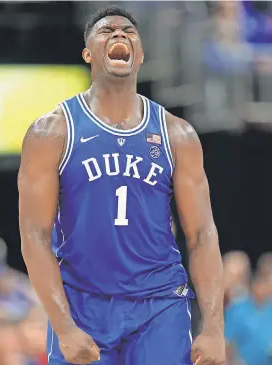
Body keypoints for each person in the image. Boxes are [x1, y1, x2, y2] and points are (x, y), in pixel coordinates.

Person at [18, 6, 225, 365]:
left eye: (129, 31)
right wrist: (64, 326)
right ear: (87, 54)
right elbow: (34, 235)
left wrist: (214, 328)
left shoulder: (177, 134)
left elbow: (202, 234)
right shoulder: (52, 131)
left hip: (159, 304)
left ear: (141, 55)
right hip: (83, 302)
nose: (119, 34)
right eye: (106, 31)